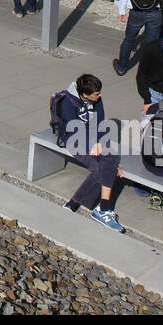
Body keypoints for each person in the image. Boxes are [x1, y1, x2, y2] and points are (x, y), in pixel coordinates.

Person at [57, 73, 125, 233]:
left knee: (111, 155)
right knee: (102, 168)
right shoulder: (68, 102)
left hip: (92, 138)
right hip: (73, 139)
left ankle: (93, 207)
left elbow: (100, 123)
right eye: (97, 94)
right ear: (85, 95)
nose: (100, 96)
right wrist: (93, 145)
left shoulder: (97, 100)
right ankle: (89, 207)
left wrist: (99, 143)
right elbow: (73, 129)